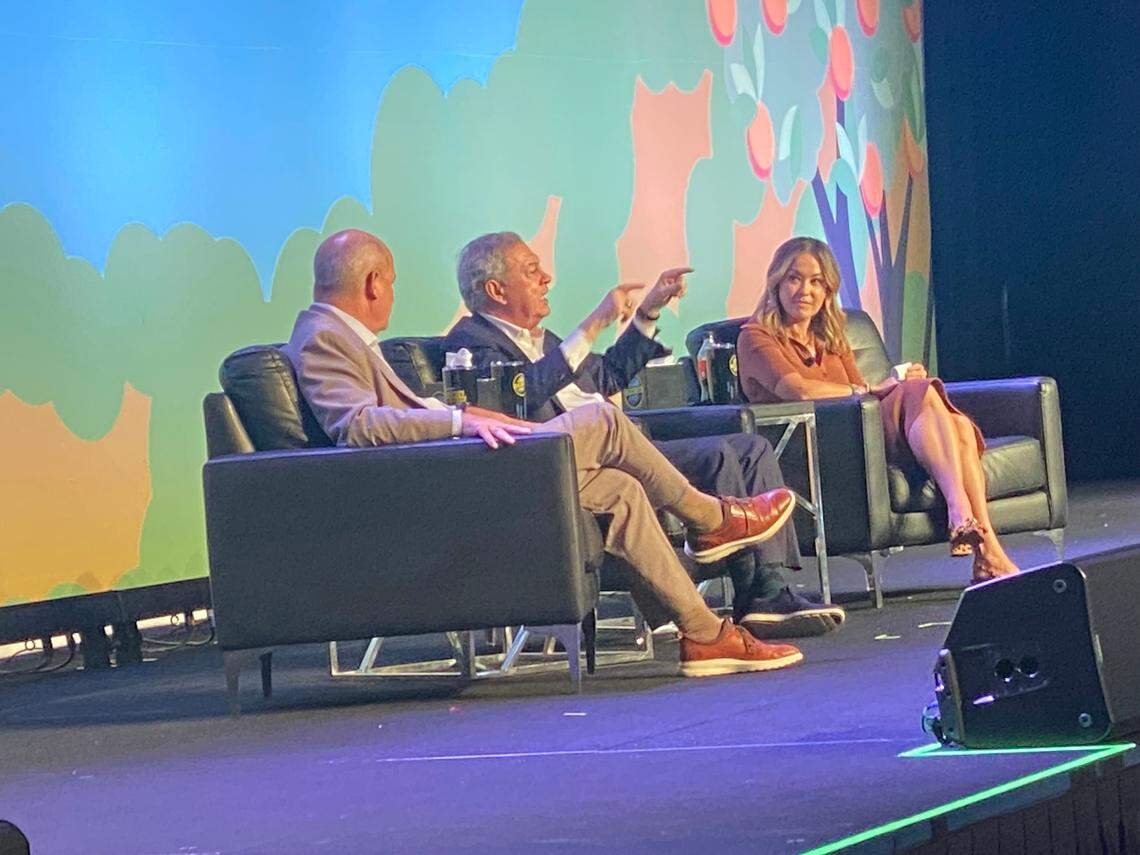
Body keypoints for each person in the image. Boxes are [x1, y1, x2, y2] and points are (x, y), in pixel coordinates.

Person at [283, 228, 805, 676]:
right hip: (445, 483)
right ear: (373, 283)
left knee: (621, 491)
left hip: (474, 465)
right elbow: (356, 427)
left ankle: (704, 633)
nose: (392, 295)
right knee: (602, 417)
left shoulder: (342, 337)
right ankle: (710, 518)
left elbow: (597, 376)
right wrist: (461, 419)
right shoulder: (323, 337)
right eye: (392, 283)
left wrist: (471, 418)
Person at [444, 231, 845, 638]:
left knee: (751, 449)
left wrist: (648, 314)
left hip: (631, 447)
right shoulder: (472, 343)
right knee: (722, 455)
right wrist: (592, 325)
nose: (547, 278)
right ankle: (754, 590)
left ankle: (768, 587)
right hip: (584, 463)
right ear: (495, 289)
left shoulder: (541, 340)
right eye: (532, 271)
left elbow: (608, 374)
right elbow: (521, 397)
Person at [736, 236, 1020, 583]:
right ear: (777, 282)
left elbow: (864, 394)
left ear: (828, 290)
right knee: (924, 398)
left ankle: (981, 542)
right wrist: (875, 388)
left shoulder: (831, 335)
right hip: (817, 442)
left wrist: (897, 382)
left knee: (951, 422)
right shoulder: (756, 335)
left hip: (863, 431)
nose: (804, 291)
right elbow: (798, 389)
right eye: (794, 279)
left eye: (816, 282)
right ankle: (964, 516)